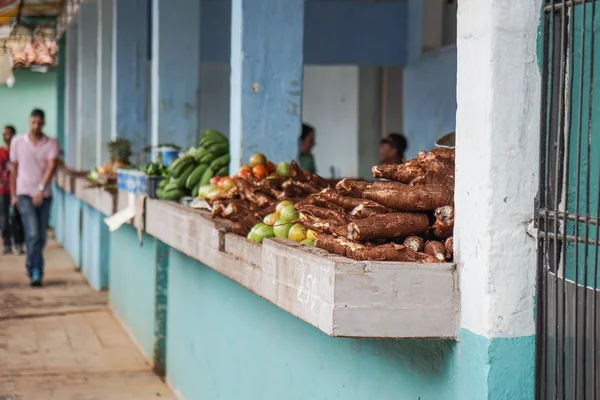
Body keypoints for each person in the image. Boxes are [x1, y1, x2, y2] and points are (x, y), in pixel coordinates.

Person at [10, 109, 59, 287]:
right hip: (24, 193)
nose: (36, 126)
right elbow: (14, 169)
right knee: (32, 233)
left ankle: (31, 264)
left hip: (44, 195)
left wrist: (40, 189)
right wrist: (13, 195)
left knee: (41, 236)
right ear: (29, 122)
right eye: (33, 122)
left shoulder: (51, 143)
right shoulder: (18, 142)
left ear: (43, 123)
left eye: (39, 123)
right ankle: (37, 271)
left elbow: (51, 167)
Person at [0, 125, 24, 255]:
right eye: (4, 134)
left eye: (9, 133)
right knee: (3, 218)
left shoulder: (19, 152)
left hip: (18, 188)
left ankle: (18, 243)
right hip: (2, 189)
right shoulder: (0, 152)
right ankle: (7, 243)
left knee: (17, 216)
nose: (6, 136)